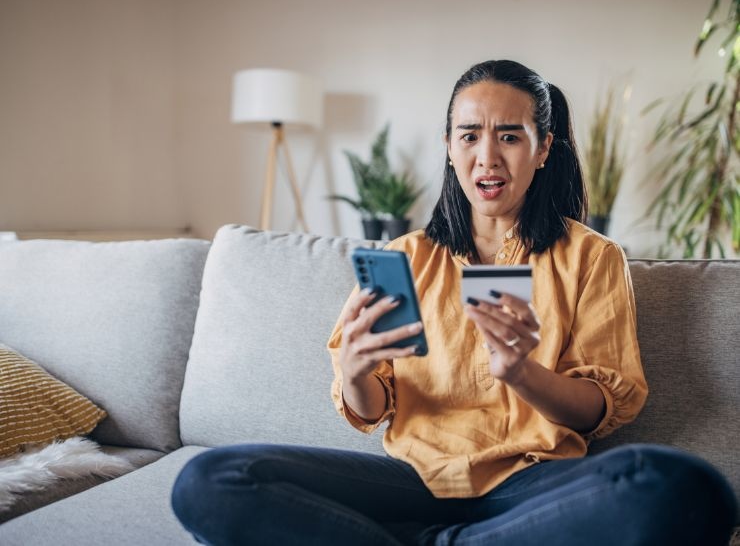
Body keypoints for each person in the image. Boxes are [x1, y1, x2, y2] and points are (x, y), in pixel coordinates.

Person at [171, 59, 737, 545]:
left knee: (681, 487)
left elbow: (597, 412)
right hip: (414, 481)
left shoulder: (592, 257)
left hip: (534, 483)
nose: (487, 156)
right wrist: (354, 370)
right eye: (469, 135)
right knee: (213, 479)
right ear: (448, 148)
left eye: (510, 136)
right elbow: (370, 410)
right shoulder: (407, 258)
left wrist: (521, 372)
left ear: (543, 149)